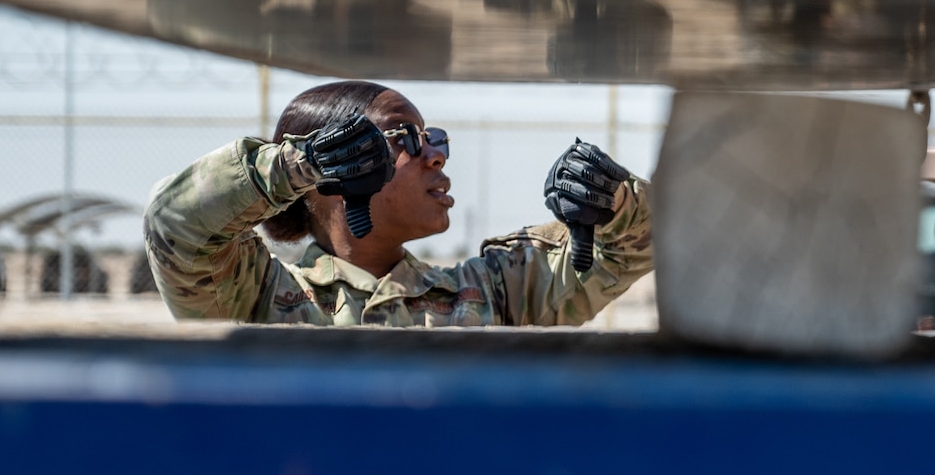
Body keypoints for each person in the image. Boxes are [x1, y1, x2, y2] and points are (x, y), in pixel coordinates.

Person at [144, 80, 652, 326]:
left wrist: (615, 203)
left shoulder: (492, 292)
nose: (434, 156)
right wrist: (299, 165)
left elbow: (634, 251)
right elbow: (174, 228)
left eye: (435, 138)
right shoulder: (254, 296)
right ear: (335, 168)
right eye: (405, 137)